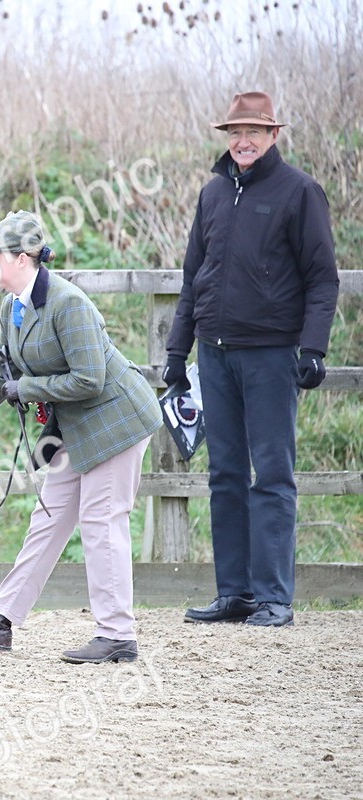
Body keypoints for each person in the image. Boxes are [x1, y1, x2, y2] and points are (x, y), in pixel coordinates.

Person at [0, 210, 163, 664]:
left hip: (116, 421)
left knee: (101, 520)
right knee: (47, 519)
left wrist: (27, 388)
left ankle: (117, 634)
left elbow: (90, 378)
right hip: (74, 426)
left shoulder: (70, 304)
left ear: (23, 258)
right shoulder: (11, 308)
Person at [164, 91, 339, 628]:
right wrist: (177, 351)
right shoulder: (213, 194)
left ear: (273, 136)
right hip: (215, 357)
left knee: (273, 475)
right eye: (235, 133)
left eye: (253, 133)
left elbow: (321, 278)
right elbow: (193, 280)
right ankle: (234, 593)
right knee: (225, 474)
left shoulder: (300, 192)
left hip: (270, 357)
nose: (242, 141)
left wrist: (312, 348)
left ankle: (274, 598)